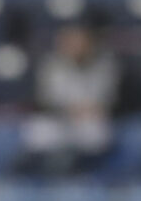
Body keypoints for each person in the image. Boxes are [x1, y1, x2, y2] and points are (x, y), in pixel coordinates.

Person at [19, 24, 120, 174]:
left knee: (93, 134)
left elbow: (108, 100)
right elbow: (44, 100)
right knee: (38, 133)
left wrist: (84, 110)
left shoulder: (105, 65)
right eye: (69, 42)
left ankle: (76, 177)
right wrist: (69, 110)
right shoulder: (51, 65)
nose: (74, 47)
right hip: (57, 119)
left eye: (79, 42)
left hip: (91, 121)